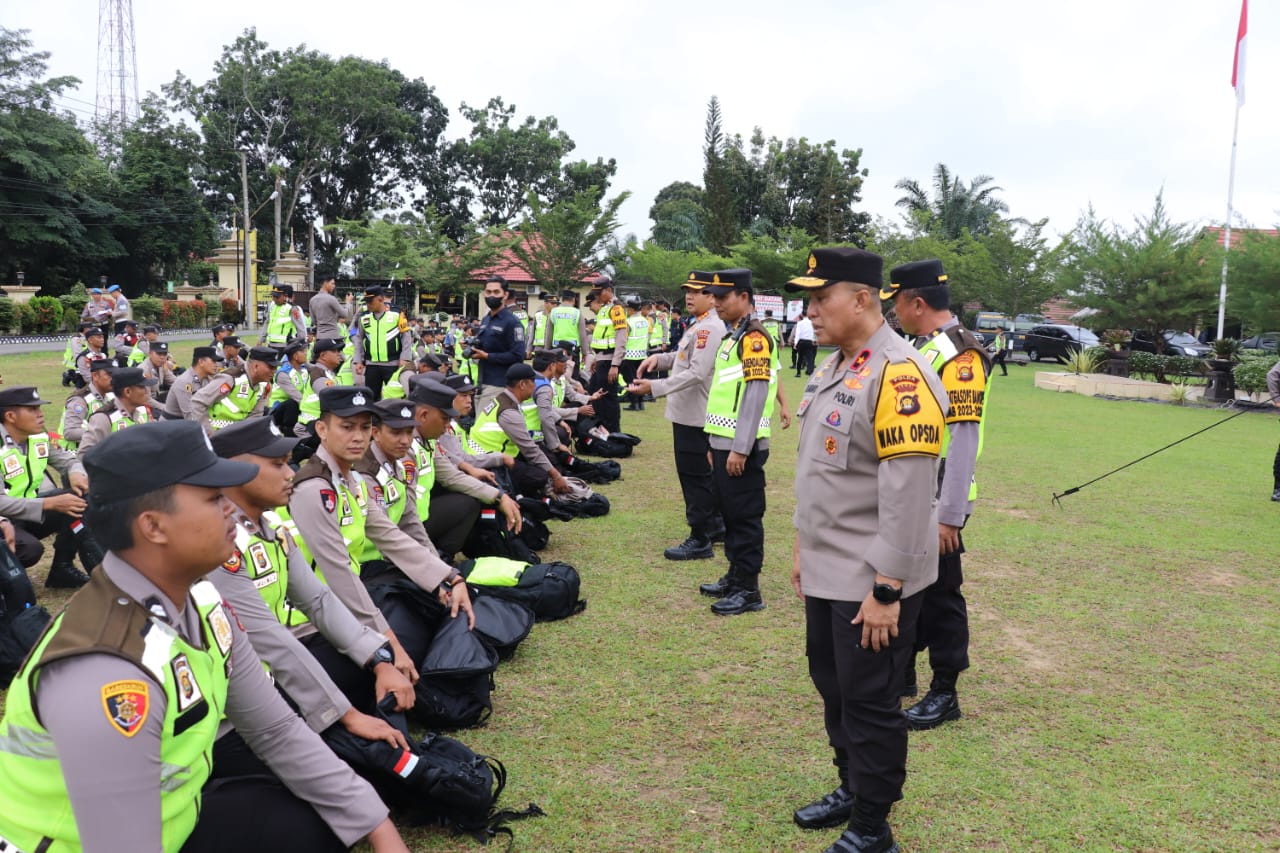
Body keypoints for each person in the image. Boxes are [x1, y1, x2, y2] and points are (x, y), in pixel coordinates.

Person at [0, 420, 409, 853]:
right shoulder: (106, 672)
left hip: (171, 818)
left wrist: (379, 829)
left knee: (315, 822)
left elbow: (276, 728)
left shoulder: (202, 599)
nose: (231, 509)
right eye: (214, 498)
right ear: (154, 527)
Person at [784, 247, 948, 852]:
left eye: (818, 298)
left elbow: (908, 498)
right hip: (828, 568)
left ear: (860, 299)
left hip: (871, 581)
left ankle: (873, 826)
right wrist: (803, 544)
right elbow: (820, 476)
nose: (809, 312)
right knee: (832, 684)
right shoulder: (835, 365)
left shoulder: (899, 373)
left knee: (871, 701)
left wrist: (887, 590)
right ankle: (851, 785)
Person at [208, 416, 415, 722]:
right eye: (278, 465)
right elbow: (268, 636)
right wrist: (344, 714)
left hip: (276, 663)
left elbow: (318, 599)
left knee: (372, 670)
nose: (291, 474)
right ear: (237, 470)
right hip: (241, 690)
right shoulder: (218, 542)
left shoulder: (273, 526)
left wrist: (379, 658)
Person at [286, 386, 474, 668]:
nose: (358, 436)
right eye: (347, 427)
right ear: (322, 430)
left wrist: (448, 576)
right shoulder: (315, 489)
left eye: (365, 427)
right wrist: (390, 643)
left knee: (429, 615)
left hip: (345, 604)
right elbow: (339, 575)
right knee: (408, 638)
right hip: (313, 624)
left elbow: (391, 536)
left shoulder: (349, 479)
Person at [885, 260, 990, 729]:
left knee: (943, 595)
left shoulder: (960, 355)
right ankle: (903, 671)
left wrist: (950, 514)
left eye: (898, 303)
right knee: (908, 586)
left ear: (918, 303)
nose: (895, 312)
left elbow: (964, 436)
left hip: (939, 497)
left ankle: (945, 690)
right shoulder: (925, 348)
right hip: (913, 491)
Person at [629, 271, 728, 561]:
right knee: (701, 475)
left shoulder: (710, 329)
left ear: (712, 297)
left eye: (697, 291)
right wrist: (659, 359)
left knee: (694, 476)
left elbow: (697, 373)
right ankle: (715, 525)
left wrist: (655, 386)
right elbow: (683, 358)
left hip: (694, 415)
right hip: (689, 412)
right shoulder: (699, 326)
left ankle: (700, 538)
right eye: (688, 290)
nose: (689, 296)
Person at [699, 269, 779, 616]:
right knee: (730, 513)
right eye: (714, 297)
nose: (716, 303)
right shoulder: (735, 336)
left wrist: (740, 448)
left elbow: (755, 394)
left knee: (745, 517)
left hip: (740, 448)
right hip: (724, 442)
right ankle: (735, 574)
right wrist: (715, 441)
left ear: (744, 297)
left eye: (723, 297)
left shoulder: (755, 338)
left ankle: (749, 589)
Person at [406, 375, 523, 560]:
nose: (447, 427)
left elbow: (452, 475)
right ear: (423, 416)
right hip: (401, 528)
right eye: (444, 419)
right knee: (466, 501)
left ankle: (443, 557)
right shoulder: (403, 445)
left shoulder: (426, 441)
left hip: (415, 519)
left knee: (470, 498)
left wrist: (499, 496)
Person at [0, 386, 102, 586]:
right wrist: (48, 503)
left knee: (79, 499)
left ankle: (64, 570)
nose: (41, 415)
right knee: (30, 550)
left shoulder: (37, 437)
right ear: (11, 416)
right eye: (33, 410)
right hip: (3, 518)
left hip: (24, 513)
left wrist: (74, 473)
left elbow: (68, 460)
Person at [471, 364, 574, 497]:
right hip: (489, 459)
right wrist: (556, 476)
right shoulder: (509, 412)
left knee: (544, 459)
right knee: (539, 477)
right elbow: (530, 450)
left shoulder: (505, 399)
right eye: (533, 382)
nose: (535, 386)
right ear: (522, 384)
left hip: (496, 454)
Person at [470, 276, 527, 411]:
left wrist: (488, 356)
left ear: (505, 295)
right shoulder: (486, 319)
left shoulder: (512, 322)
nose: (491, 296)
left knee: (485, 429)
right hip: (482, 381)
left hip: (499, 384)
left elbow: (518, 356)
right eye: (488, 292)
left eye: (496, 292)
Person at [190, 346, 280, 432]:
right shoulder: (230, 379)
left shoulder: (264, 385)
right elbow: (197, 402)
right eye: (271, 367)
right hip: (215, 433)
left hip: (236, 435)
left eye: (275, 367)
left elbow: (255, 415)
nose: (275, 371)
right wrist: (207, 431)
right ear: (256, 366)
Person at [352, 285, 412, 401]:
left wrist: (405, 357)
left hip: (392, 364)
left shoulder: (396, 314)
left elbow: (406, 336)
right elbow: (359, 340)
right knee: (371, 397)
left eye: (371, 301)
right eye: (366, 301)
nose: (368, 304)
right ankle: (373, 419)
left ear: (380, 299)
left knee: (393, 396)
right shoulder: (364, 318)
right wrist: (358, 360)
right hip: (371, 365)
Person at [78, 367, 156, 454]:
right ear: (127, 392)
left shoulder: (143, 411)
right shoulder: (103, 419)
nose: (147, 391)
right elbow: (84, 455)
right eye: (142, 387)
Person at [585, 281, 628, 433]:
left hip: (610, 360)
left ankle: (613, 432)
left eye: (599, 292)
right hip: (602, 359)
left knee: (608, 399)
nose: (596, 296)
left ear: (608, 290)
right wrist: (597, 359)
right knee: (595, 394)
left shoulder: (616, 309)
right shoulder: (605, 308)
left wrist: (615, 365)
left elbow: (621, 337)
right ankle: (600, 429)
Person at [57, 360, 114, 451]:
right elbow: (69, 432)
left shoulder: (111, 396)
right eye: (109, 375)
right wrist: (102, 434)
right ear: (95, 376)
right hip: (74, 454)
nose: (114, 378)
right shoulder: (80, 401)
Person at [163, 346, 220, 420]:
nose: (216, 365)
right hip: (173, 424)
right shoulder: (185, 382)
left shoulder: (206, 379)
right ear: (201, 362)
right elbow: (189, 415)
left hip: (192, 420)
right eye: (213, 361)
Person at [621, 295, 651, 411]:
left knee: (631, 380)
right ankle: (640, 403)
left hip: (629, 355)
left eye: (627, 309)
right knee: (639, 379)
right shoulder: (645, 321)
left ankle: (634, 404)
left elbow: (624, 339)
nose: (627, 311)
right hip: (642, 354)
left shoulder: (628, 322)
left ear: (632, 310)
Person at [310, 270, 354, 340]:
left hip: (319, 337)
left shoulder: (312, 300)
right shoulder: (331, 299)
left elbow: (314, 321)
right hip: (332, 336)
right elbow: (344, 314)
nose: (334, 286)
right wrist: (348, 302)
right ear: (325, 283)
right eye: (332, 283)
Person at [792, 311, 817, 376]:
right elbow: (814, 332)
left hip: (801, 341)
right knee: (810, 357)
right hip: (809, 341)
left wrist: (795, 343)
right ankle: (810, 371)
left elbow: (798, 333)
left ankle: (798, 373)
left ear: (802, 315)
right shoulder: (812, 322)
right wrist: (814, 340)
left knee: (800, 357)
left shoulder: (800, 323)